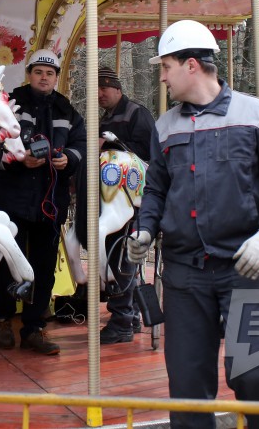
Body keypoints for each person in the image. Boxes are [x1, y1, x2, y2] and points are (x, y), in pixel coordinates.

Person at [127, 19, 259, 429]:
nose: (162, 77)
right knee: (187, 383)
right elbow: (156, 188)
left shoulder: (254, 115)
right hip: (185, 274)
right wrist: (145, 227)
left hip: (245, 269)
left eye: (166, 66)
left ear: (191, 65)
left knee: (252, 371)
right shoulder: (164, 126)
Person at [0, 48, 87, 356]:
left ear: (56, 78)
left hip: (50, 199)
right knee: (7, 261)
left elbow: (81, 143)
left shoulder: (66, 110)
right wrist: (18, 159)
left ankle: (34, 327)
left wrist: (68, 159)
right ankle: (3, 318)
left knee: (44, 267)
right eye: (38, 72)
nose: (44, 78)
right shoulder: (10, 103)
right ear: (29, 74)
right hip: (12, 196)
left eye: (49, 74)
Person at [96, 65, 155, 344]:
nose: (100, 94)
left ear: (118, 89)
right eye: (97, 89)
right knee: (119, 252)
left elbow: (146, 152)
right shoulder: (106, 118)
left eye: (104, 88)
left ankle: (121, 319)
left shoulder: (136, 113)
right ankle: (130, 315)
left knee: (121, 253)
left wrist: (109, 147)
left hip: (133, 194)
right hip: (114, 195)